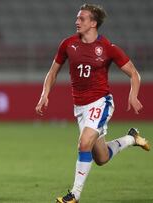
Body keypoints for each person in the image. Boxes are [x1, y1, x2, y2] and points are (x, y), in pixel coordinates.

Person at [35, 3, 150, 203]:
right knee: (101, 157)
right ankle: (132, 138)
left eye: (82, 18)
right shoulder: (68, 44)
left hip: (100, 102)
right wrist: (45, 93)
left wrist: (133, 94)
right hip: (80, 108)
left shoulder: (107, 48)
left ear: (93, 23)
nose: (77, 21)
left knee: (84, 143)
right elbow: (53, 72)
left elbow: (133, 73)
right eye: (77, 18)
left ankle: (74, 195)